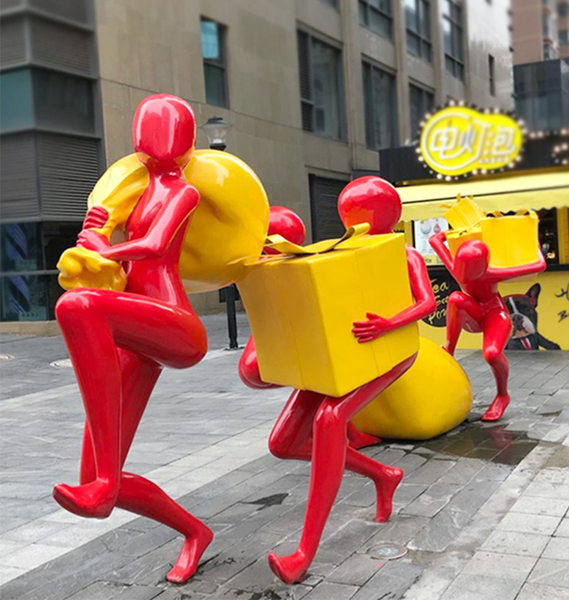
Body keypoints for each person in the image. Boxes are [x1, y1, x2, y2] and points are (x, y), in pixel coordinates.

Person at [53, 95, 213, 583]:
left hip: (174, 321)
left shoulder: (184, 192)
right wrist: (96, 240)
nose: (156, 141)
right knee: (95, 478)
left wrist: (107, 250)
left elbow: (155, 245)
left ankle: (104, 482)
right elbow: (122, 258)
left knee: (76, 306)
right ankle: (195, 532)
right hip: (137, 333)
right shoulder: (132, 191)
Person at [264, 177, 436, 584]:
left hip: (393, 350)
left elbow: (427, 302)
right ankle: (383, 474)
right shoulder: (343, 251)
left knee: (329, 419)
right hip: (345, 353)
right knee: (283, 443)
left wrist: (389, 323)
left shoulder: (404, 252)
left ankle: (304, 553)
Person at [238, 205, 381, 450]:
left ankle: (350, 435)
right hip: (267, 362)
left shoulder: (255, 266)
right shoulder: (298, 267)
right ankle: (336, 435)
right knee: (331, 377)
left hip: (255, 363)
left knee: (324, 384)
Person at [429, 231, 546, 421]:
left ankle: (502, 395)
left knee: (492, 354)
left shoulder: (492, 273)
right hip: (474, 312)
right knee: (455, 298)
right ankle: (450, 349)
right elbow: (434, 239)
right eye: (461, 269)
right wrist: (461, 230)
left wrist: (533, 242)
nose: (463, 277)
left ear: (483, 268)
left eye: (470, 272)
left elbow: (539, 265)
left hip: (495, 314)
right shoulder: (456, 268)